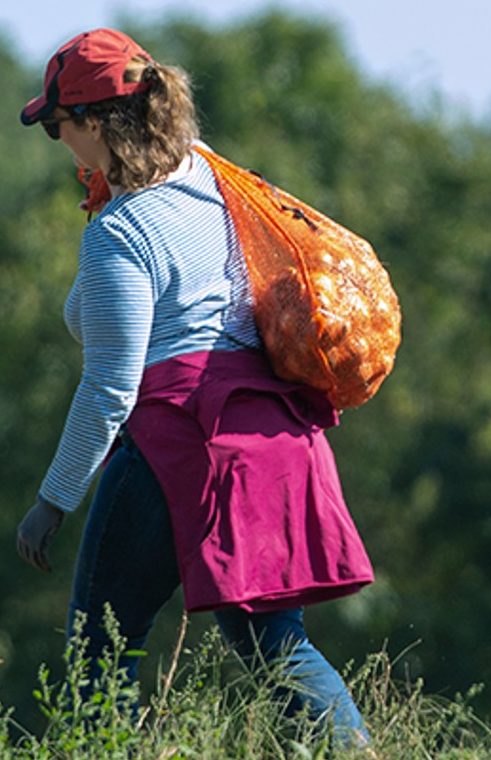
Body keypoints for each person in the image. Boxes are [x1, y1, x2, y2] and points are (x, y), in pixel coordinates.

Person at [15, 28, 373, 746]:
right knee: (275, 648)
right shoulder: (215, 182)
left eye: (59, 126)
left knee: (100, 652)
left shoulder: (125, 230)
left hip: (181, 441)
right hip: (273, 436)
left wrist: (52, 500)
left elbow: (112, 385)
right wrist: (108, 193)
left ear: (93, 124)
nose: (59, 143)